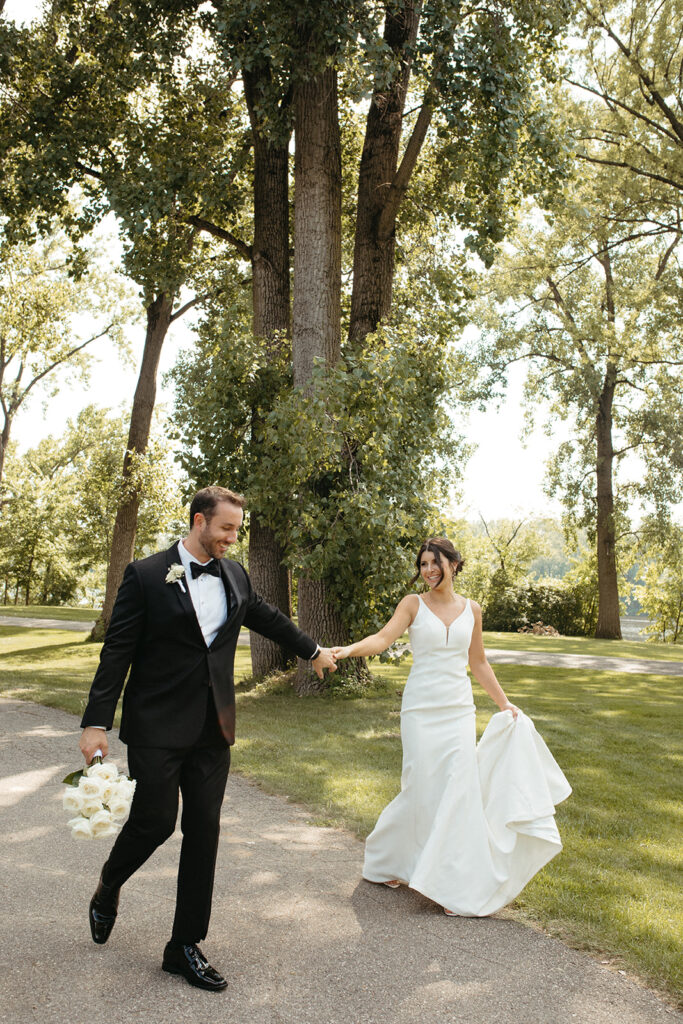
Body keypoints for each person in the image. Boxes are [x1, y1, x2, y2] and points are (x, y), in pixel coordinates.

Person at [79, 486, 337, 991]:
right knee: (154, 823)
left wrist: (312, 649)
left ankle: (183, 946)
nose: (232, 539)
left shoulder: (235, 574)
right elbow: (117, 653)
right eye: (226, 529)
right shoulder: (147, 575)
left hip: (213, 728)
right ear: (199, 521)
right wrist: (95, 723)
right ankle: (109, 884)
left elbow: (267, 617)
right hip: (156, 726)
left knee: (205, 832)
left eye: (236, 530)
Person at [332, 536, 571, 917]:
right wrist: (346, 651)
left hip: (458, 710)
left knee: (460, 790)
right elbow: (382, 639)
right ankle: (388, 860)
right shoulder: (413, 604)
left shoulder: (472, 609)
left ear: (454, 564)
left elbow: (478, 662)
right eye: (423, 564)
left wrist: (504, 703)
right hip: (420, 710)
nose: (428, 570)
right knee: (420, 786)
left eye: (435, 562)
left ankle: (453, 884)